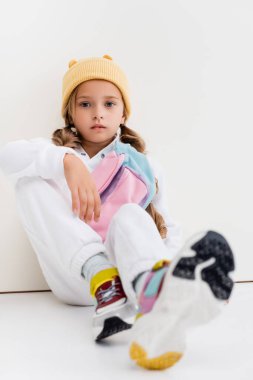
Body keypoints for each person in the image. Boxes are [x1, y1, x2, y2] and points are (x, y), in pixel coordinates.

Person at [0, 54, 235, 371]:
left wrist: (172, 268)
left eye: (109, 104)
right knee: (28, 183)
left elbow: (167, 229)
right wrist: (65, 162)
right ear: (70, 111)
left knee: (131, 215)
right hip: (75, 280)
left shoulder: (143, 166)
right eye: (85, 104)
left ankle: (160, 295)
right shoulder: (54, 154)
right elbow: (6, 156)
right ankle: (104, 278)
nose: (98, 114)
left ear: (124, 112)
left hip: (129, 279)